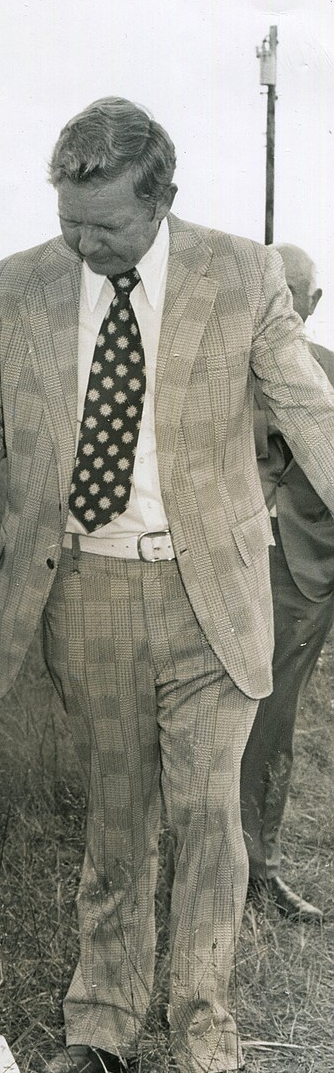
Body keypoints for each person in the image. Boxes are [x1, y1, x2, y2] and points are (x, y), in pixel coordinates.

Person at [0, 97, 334, 1073]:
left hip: (211, 588)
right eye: (69, 220)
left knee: (207, 817)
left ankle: (206, 1032)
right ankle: (100, 1023)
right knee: (117, 820)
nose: (82, 241)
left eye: (104, 226)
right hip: (89, 589)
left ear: (159, 201)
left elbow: (304, 407)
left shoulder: (240, 275)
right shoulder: (17, 286)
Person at [240, 244, 334, 923]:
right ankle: (203, 864)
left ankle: (257, 870)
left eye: (289, 291)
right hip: (222, 568)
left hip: (302, 581)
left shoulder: (330, 374)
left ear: (312, 303)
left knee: (272, 726)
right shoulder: (222, 367)